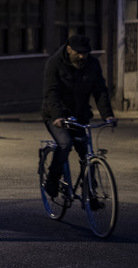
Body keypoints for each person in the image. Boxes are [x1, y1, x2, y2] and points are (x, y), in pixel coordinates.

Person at [41, 34, 117, 197]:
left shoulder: (93, 64)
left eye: (85, 53)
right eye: (78, 52)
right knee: (65, 144)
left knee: (87, 152)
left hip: (80, 115)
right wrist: (57, 116)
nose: (82, 56)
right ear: (69, 49)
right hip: (55, 115)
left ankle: (89, 192)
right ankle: (52, 180)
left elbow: (100, 91)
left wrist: (108, 116)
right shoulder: (54, 63)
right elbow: (51, 92)